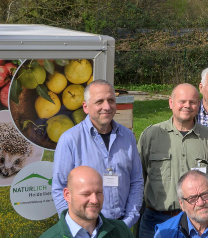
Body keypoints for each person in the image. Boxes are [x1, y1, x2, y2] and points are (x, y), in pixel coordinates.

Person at [138, 83, 208, 238]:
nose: (187, 106)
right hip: (156, 220)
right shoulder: (151, 135)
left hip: (195, 220)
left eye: (193, 102)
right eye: (182, 101)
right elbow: (138, 178)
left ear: (199, 105)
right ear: (171, 103)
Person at [52, 80, 142, 228]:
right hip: (86, 229)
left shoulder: (127, 137)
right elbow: (60, 188)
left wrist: (128, 221)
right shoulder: (70, 140)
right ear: (86, 107)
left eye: (111, 100)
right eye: (99, 101)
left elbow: (136, 181)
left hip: (122, 226)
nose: (106, 107)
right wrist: (76, 227)